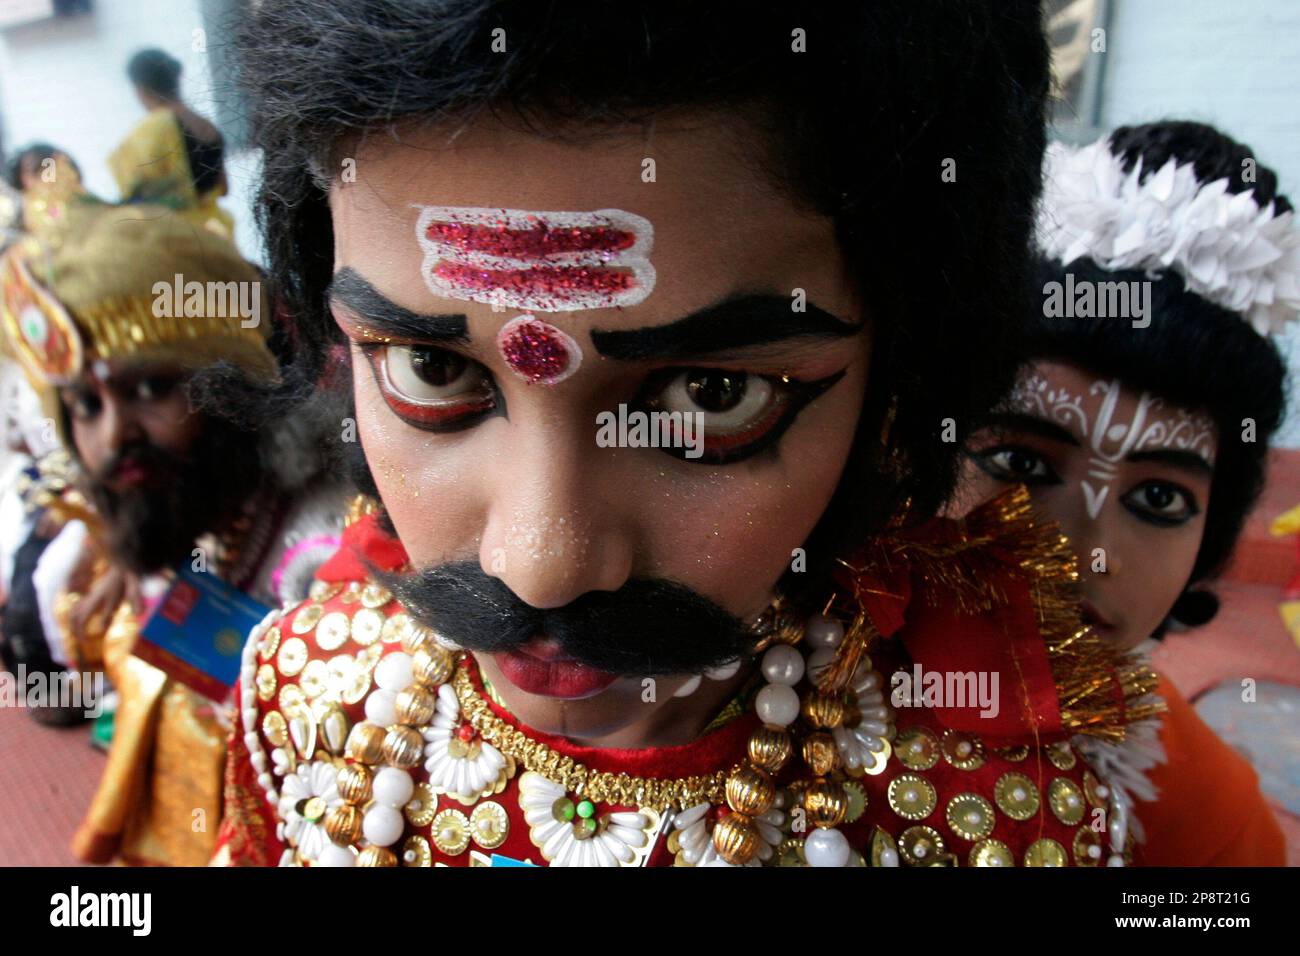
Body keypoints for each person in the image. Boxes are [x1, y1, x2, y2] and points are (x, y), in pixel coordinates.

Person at [214, 1, 1162, 868]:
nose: (539, 567)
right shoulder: (301, 709)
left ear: (900, 377)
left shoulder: (1006, 818)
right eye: (432, 368)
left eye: (711, 396)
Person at [954, 121, 1294, 865]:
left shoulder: (1204, 815)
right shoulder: (712, 689)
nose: (1084, 556)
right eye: (1021, 461)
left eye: (1161, 501)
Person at [0, 195, 351, 864]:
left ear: (236, 384)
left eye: (151, 388)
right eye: (83, 405)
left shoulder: (327, 546)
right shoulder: (173, 506)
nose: (113, 437)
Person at [109, 48, 233, 239]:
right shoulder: (207, 125)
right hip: (218, 235)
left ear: (140, 89)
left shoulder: (153, 129)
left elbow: (136, 193)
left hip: (175, 241)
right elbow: (224, 188)